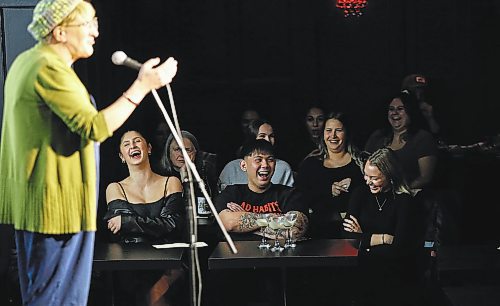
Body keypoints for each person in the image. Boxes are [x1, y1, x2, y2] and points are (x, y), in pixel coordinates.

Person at [0, 1, 178, 304]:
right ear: (59, 32)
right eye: (86, 24)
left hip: (43, 206)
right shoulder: (48, 68)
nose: (95, 31)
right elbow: (94, 127)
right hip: (53, 211)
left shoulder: (29, 63)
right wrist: (142, 86)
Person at [104, 131, 185, 306]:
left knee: (159, 292)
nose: (132, 146)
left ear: (148, 148)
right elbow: (119, 233)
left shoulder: (171, 182)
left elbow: (173, 225)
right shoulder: (115, 188)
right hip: (130, 263)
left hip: (167, 261)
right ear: (122, 156)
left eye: (137, 141)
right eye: (126, 144)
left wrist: (126, 222)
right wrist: (157, 226)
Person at [343, 147, 426, 306]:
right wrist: (384, 238)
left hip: (395, 271)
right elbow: (347, 237)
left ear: (390, 176)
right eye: (366, 175)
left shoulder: (404, 201)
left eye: (374, 178)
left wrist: (364, 238)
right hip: (364, 268)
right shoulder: (360, 194)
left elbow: (399, 247)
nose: (368, 181)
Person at [215, 139, 308, 241]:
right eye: (258, 160)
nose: (265, 165)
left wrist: (245, 220)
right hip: (238, 255)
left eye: (270, 160)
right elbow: (228, 224)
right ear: (243, 165)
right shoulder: (231, 193)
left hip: (278, 256)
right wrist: (275, 219)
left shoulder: (290, 194)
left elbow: (295, 231)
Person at [296, 112, 365, 238]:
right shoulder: (310, 164)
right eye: (328, 130)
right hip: (319, 231)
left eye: (338, 130)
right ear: (323, 134)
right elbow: (299, 197)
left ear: (346, 133)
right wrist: (328, 190)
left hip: (356, 229)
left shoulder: (361, 162)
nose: (333, 135)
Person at [364, 92, 438, 190]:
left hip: (410, 197)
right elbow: (364, 167)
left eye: (400, 109)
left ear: (410, 112)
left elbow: (425, 178)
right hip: (378, 194)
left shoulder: (422, 138)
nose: (395, 113)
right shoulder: (378, 136)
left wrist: (399, 192)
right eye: (391, 109)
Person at [218, 119, 295, 192]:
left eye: (271, 136)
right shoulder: (232, 168)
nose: (267, 140)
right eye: (262, 136)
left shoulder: (283, 167)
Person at [158, 130, 217, 215]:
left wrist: (187, 175)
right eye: (177, 149)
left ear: (195, 152)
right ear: (168, 152)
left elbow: (204, 208)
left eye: (187, 150)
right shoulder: (160, 176)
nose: (182, 154)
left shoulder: (205, 175)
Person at [401, 73, 441, 138]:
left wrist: (430, 117)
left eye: (421, 89)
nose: (419, 92)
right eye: (416, 89)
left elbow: (435, 131)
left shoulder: (425, 107)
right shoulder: (398, 107)